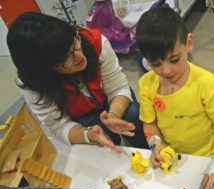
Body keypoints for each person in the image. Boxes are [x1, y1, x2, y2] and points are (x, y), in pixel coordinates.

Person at [6, 12, 149, 153]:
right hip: (81, 119)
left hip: (110, 99)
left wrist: (113, 116)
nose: (79, 56)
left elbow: (117, 87)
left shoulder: (94, 41)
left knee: (132, 113)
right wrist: (87, 135)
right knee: (100, 141)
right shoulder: (33, 83)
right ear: (46, 69)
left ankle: (146, 151)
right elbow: (58, 125)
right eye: (66, 60)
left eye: (74, 43)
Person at [136, 7, 214, 189]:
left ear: (189, 43)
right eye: (155, 64)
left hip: (208, 158)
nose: (166, 70)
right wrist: (155, 144)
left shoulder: (206, 83)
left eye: (174, 60)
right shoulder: (146, 84)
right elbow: (149, 124)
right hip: (172, 160)